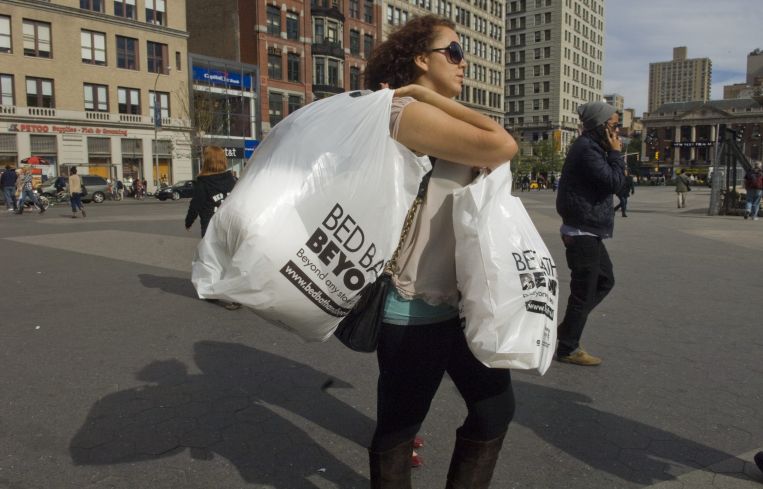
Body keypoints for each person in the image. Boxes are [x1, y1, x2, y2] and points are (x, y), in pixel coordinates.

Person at [364, 15, 518, 488]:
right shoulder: (403, 111)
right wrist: (427, 97)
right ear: (420, 60)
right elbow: (503, 145)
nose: (463, 61)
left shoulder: (435, 112)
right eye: (452, 51)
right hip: (413, 305)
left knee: (495, 410)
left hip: (462, 302)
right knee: (399, 427)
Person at [555, 100, 625, 367]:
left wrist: (612, 153)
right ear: (601, 126)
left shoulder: (595, 147)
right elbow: (615, 182)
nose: (617, 132)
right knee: (584, 290)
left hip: (589, 229)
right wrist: (616, 154)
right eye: (614, 126)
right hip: (581, 229)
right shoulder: (587, 149)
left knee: (604, 281)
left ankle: (568, 331)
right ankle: (568, 347)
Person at [185, 146, 240, 311]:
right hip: (231, 226)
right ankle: (235, 295)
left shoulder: (203, 182)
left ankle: (213, 291)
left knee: (212, 262)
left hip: (211, 229)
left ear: (207, 161)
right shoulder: (232, 180)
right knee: (231, 261)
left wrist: (189, 221)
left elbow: (196, 204)